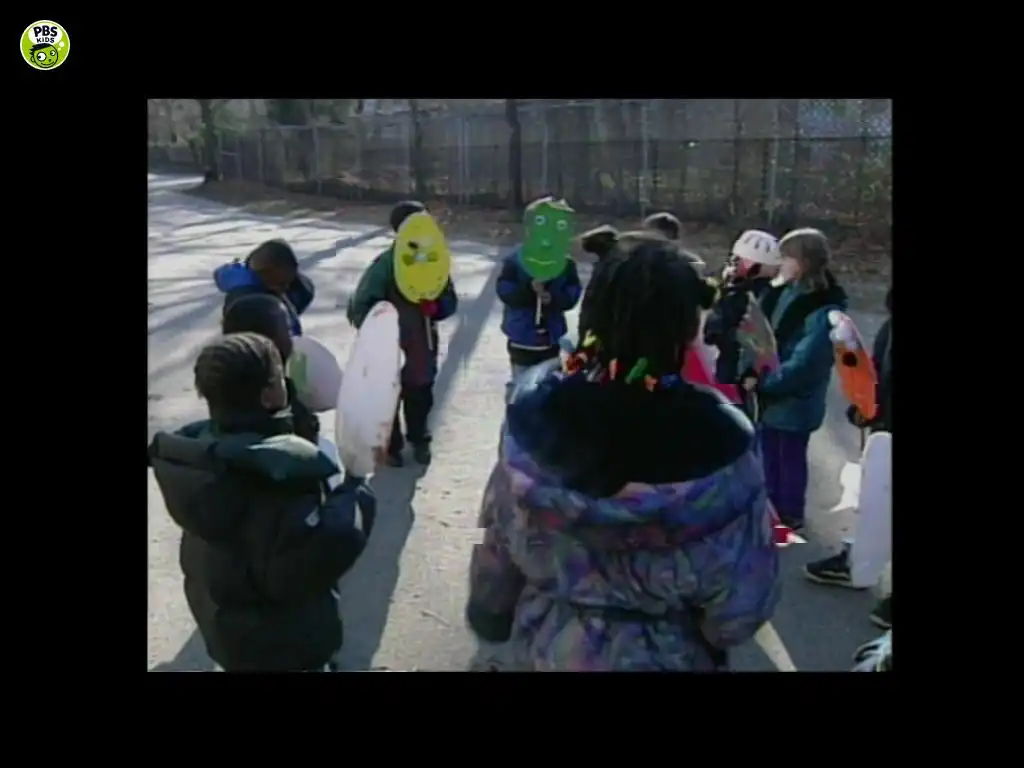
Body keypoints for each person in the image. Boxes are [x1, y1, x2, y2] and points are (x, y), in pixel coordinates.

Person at [464, 232, 780, 671]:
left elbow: (497, 547)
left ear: (591, 311)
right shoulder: (724, 445)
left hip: (545, 648)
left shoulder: (532, 415)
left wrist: (491, 616)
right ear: (688, 328)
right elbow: (739, 610)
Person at [147, 333, 376, 672]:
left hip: (227, 632)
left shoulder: (198, 456)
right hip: (283, 644)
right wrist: (355, 492)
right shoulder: (276, 473)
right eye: (279, 376)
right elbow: (317, 556)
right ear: (269, 395)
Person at [739, 228, 848, 532]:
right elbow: (759, 334)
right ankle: (770, 510)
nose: (781, 263)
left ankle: (788, 516)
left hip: (794, 399)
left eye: (786, 257)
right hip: (769, 393)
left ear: (803, 262)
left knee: (788, 459)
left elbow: (806, 362)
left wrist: (765, 381)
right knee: (768, 455)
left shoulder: (823, 309)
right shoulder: (782, 291)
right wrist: (751, 370)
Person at [803, 286, 892, 629]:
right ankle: (859, 558)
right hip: (885, 429)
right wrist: (867, 404)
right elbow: (875, 369)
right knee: (874, 499)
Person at [346, 201, 458, 467]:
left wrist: (437, 307)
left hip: (422, 342)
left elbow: (449, 300)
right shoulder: (385, 266)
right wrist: (380, 324)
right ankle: (391, 445)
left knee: (421, 393)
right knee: (389, 396)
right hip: (389, 345)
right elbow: (359, 306)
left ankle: (420, 439)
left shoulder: (434, 263)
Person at [497, 201, 582, 401]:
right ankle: (515, 409)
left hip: (551, 338)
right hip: (521, 337)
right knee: (521, 385)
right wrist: (528, 290)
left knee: (547, 385)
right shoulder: (515, 260)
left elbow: (572, 293)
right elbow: (504, 291)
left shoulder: (566, 263)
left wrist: (553, 298)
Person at [222, 293, 320, 444]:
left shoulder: (223, 384)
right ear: (268, 341)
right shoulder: (275, 391)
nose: (293, 339)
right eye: (288, 331)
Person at [704, 229, 782, 391]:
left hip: (732, 368)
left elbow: (712, 331)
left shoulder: (733, 290)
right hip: (740, 370)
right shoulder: (759, 293)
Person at [214, 239, 315, 335]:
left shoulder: (299, 288)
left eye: (289, 281)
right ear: (261, 275)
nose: (285, 288)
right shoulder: (243, 300)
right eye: (279, 284)